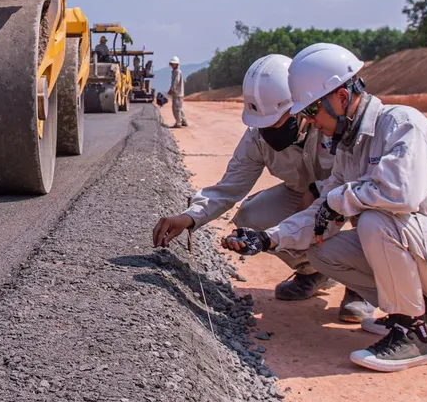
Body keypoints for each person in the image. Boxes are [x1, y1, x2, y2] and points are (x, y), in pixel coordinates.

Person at [223, 43, 427, 372]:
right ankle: (424, 311)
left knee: (375, 220)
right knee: (322, 252)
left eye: (313, 112)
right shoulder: (349, 149)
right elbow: (322, 214)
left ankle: (411, 335)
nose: (311, 123)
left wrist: (336, 200)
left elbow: (401, 194)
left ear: (341, 98)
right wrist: (269, 238)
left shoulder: (402, 125)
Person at [153, 55, 372, 316]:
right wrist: (189, 218)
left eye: (277, 122)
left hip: (347, 193)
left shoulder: (331, 123)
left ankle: (362, 286)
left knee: (367, 209)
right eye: (264, 125)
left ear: (300, 108)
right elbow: (230, 186)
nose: (270, 131)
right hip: (300, 196)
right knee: (251, 215)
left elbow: (363, 174)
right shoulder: (257, 137)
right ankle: (313, 272)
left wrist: (318, 192)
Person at [168, 56, 187, 127]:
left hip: (177, 93)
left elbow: (176, 81)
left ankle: (178, 123)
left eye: (173, 63)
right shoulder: (175, 71)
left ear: (177, 64)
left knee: (176, 108)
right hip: (178, 93)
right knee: (179, 108)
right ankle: (184, 121)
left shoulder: (177, 72)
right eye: (172, 63)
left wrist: (171, 89)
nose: (172, 65)